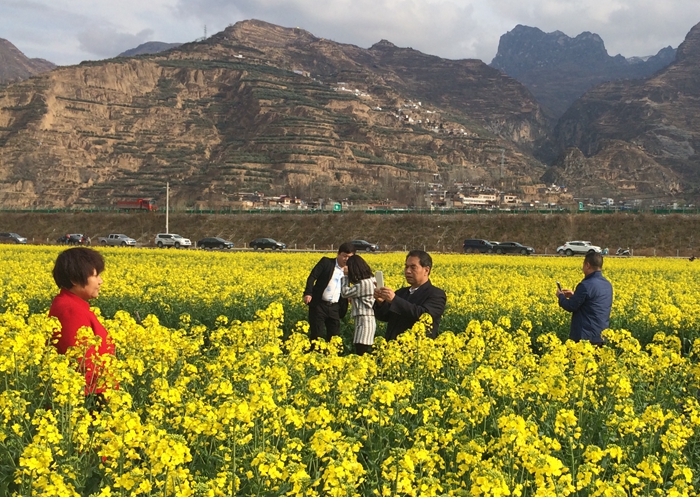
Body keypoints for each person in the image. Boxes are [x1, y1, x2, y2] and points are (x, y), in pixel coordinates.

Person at [49, 247, 115, 398]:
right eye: (96, 275)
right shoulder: (70, 311)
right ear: (74, 279)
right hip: (87, 399)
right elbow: (82, 363)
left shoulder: (71, 305)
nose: (101, 281)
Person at [373, 250, 446, 341]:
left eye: (413, 267)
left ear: (426, 270)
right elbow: (385, 317)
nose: (408, 271)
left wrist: (395, 300)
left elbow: (424, 315)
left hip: (417, 350)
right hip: (393, 349)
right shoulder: (401, 292)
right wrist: (381, 302)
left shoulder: (436, 294)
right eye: (406, 267)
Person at [556, 251, 613, 345]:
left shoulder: (585, 285)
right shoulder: (607, 284)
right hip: (601, 335)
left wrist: (560, 296)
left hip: (585, 337)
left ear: (587, 265)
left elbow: (570, 306)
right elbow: (593, 302)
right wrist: (575, 296)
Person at [303, 242, 356, 343]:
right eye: (344, 256)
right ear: (338, 254)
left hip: (335, 307)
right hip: (319, 304)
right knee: (317, 335)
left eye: (350, 257)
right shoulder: (326, 262)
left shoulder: (350, 271)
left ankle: (332, 356)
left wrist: (350, 296)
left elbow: (351, 286)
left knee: (334, 336)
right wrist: (308, 293)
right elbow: (312, 277)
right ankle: (315, 355)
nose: (347, 259)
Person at [340, 255, 376, 355]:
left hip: (364, 321)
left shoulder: (364, 283)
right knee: (362, 349)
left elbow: (344, 293)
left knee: (361, 349)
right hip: (366, 319)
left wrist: (346, 276)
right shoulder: (372, 280)